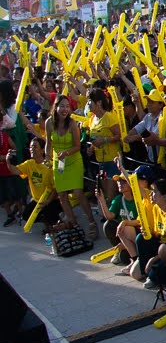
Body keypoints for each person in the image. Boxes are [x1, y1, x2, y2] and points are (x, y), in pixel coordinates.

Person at [46, 94, 96, 240]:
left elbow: (77, 146)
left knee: (78, 192)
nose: (65, 109)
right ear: (55, 107)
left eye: (67, 106)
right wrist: (47, 156)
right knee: (61, 194)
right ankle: (72, 222)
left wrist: (66, 153)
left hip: (73, 160)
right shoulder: (49, 122)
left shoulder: (72, 123)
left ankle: (91, 221)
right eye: (62, 106)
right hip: (58, 162)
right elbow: (49, 143)